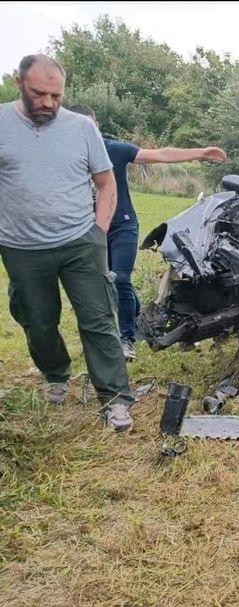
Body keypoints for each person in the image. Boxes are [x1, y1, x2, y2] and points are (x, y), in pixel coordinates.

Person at [0, 55, 134, 431]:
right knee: (38, 322)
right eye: (38, 93)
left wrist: (99, 231)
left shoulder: (81, 128)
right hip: (21, 247)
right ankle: (57, 373)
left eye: (56, 95)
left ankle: (116, 399)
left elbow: (106, 183)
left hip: (80, 241)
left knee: (99, 319)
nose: (47, 103)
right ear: (18, 83)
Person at [67, 105, 227, 360]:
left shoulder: (114, 150)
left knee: (119, 279)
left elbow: (160, 154)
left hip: (122, 225)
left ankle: (127, 339)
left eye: (90, 124)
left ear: (96, 125)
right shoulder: (67, 155)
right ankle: (143, 317)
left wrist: (201, 152)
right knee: (108, 283)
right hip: (91, 229)